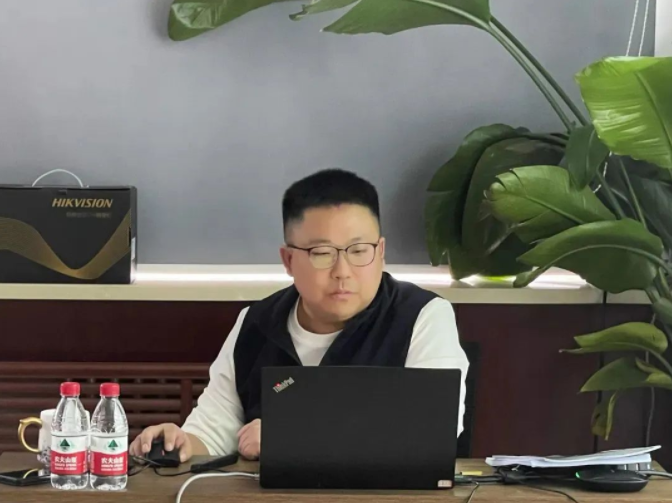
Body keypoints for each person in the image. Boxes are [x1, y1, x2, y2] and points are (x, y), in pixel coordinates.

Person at [129, 168, 469, 462]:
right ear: (289, 260)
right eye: (322, 253)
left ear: (380, 252)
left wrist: (291, 437)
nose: (343, 271)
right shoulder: (256, 323)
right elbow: (214, 432)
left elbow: (430, 430)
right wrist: (180, 443)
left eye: (358, 250)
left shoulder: (421, 316)